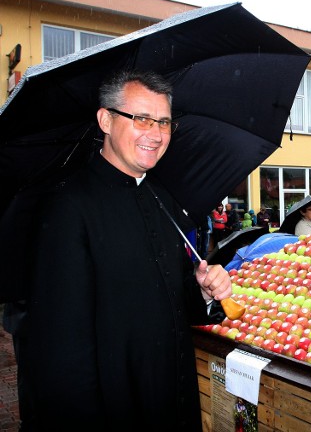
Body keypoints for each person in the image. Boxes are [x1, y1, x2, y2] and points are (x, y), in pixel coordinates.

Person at [24, 69, 232, 431]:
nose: (155, 134)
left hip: (171, 395)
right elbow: (60, 347)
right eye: (141, 119)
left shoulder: (161, 196)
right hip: (113, 407)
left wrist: (200, 289)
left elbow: (166, 299)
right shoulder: (68, 206)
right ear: (105, 119)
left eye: (164, 122)